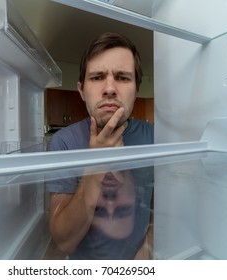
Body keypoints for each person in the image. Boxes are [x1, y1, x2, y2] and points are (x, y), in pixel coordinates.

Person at [45, 32, 154, 259]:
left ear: (137, 90)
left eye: (123, 77)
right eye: (97, 77)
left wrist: (149, 247)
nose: (110, 88)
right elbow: (64, 241)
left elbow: (167, 209)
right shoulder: (64, 143)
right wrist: (96, 165)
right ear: (81, 90)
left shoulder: (156, 139)